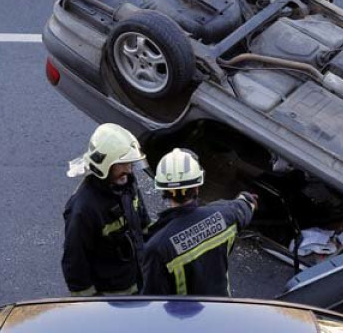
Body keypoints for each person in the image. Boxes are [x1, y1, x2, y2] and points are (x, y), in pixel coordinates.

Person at [141, 148, 257, 295]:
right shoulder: (227, 213)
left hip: (185, 316)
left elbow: (153, 300)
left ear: (164, 190)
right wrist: (247, 198)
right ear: (197, 186)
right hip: (222, 308)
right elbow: (247, 203)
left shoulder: (157, 246)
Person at [62, 123, 152, 296]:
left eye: (130, 163)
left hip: (139, 283)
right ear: (104, 165)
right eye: (122, 164)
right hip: (112, 300)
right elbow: (75, 263)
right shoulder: (83, 209)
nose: (128, 169)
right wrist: (93, 306)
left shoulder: (127, 184)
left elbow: (144, 226)